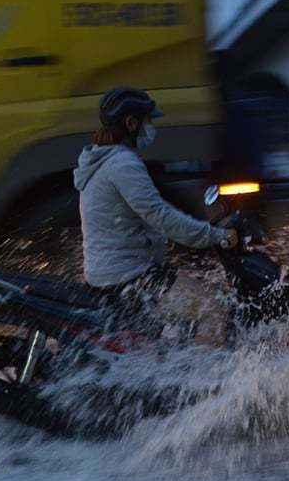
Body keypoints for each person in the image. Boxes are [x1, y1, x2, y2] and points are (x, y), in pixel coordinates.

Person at [73, 86, 237, 342]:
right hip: (128, 279)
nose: (151, 127)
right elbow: (160, 217)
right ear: (131, 123)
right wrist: (214, 235)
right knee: (213, 307)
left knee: (189, 283)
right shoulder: (122, 164)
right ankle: (201, 382)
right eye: (147, 121)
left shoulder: (99, 161)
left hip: (109, 275)